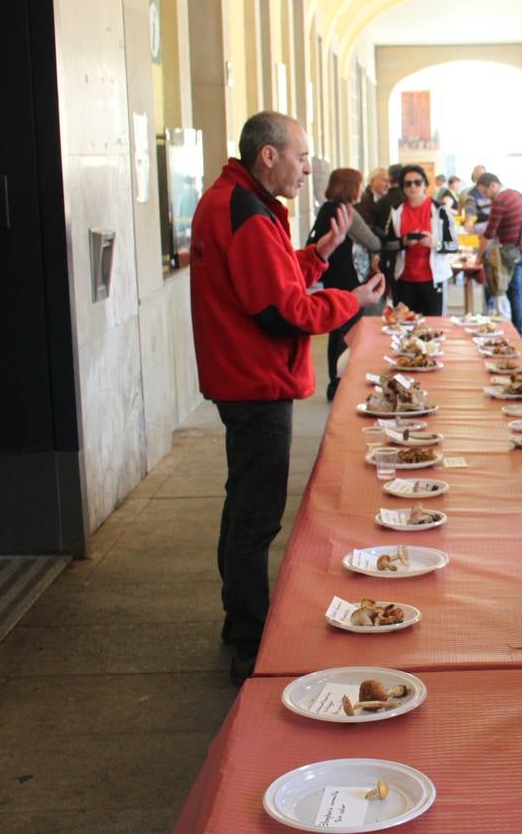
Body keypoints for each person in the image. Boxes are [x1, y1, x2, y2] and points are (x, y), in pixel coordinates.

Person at [190, 111, 386, 683]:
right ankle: (250, 640)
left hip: (242, 377)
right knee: (255, 517)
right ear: (269, 155)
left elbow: (272, 277)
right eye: (301, 156)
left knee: (242, 504)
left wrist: (320, 254)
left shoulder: (238, 201)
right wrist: (350, 301)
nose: (308, 168)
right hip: (255, 381)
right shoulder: (245, 212)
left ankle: (239, 621)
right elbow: (281, 312)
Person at [306, 168, 383, 401]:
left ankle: (336, 382)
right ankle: (341, 382)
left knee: (338, 332)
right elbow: (373, 242)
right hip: (347, 280)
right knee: (346, 334)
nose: (361, 189)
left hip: (333, 277)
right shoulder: (345, 211)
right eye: (359, 184)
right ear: (350, 186)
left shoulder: (327, 209)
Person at [388, 164, 459, 316]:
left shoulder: (440, 211)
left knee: (434, 327)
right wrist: (403, 242)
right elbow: (387, 245)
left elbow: (454, 245)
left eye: (417, 182)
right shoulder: (396, 210)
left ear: (425, 185)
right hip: (404, 279)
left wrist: (435, 244)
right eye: (407, 183)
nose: (413, 187)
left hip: (433, 278)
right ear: (402, 187)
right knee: (404, 327)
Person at [476, 172, 522, 335]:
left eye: (485, 192)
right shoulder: (516, 194)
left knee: (513, 293)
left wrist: (478, 257)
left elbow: (489, 233)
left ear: (493, 186)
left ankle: (517, 333)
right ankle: (517, 330)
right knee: (517, 292)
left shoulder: (500, 200)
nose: (486, 196)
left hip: (514, 253)